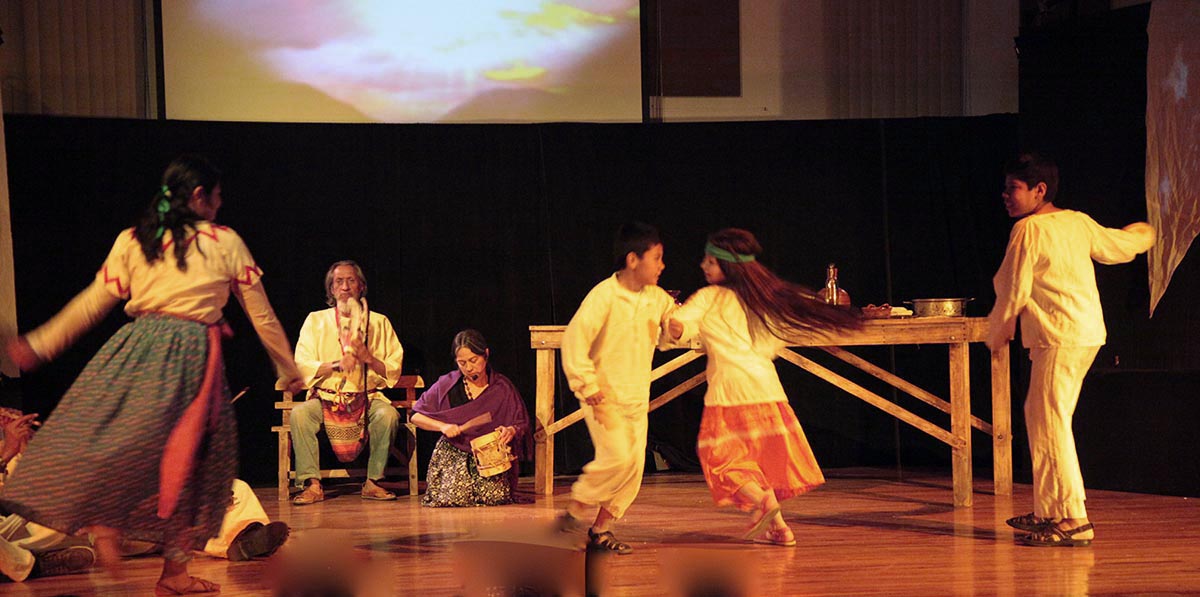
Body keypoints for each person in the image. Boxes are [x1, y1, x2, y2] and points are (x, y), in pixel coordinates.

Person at [1, 154, 304, 595]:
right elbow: (262, 315)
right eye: (217, 197)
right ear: (199, 196)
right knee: (194, 468)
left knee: (123, 443)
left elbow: (92, 303)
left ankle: (153, 556)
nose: (220, 205)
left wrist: (40, 344)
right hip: (190, 359)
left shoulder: (134, 240)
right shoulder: (223, 241)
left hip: (134, 350)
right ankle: (148, 552)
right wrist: (288, 368)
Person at [986, 153, 1154, 547]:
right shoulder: (1076, 222)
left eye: (1013, 188)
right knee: (1042, 418)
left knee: (1050, 423)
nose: (1005, 196)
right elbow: (1118, 245)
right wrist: (1147, 232)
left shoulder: (1029, 229)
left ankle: (1075, 520)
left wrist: (999, 327)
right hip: (1080, 332)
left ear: (1039, 190)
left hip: (1060, 335)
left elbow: (1012, 285)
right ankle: (1049, 511)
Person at [665, 228, 860, 547]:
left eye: (710, 261)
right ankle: (779, 528)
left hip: (730, 393)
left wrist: (666, 317)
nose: (703, 266)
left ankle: (764, 504)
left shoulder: (709, 297)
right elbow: (806, 312)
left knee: (719, 460)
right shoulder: (766, 296)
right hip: (767, 391)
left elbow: (680, 327)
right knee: (755, 466)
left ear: (727, 265)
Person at [556, 222, 675, 555]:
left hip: (636, 398)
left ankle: (601, 529)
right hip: (603, 397)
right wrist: (586, 383)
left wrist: (678, 327)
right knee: (618, 458)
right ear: (633, 259)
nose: (662, 265)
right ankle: (573, 513)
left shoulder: (656, 297)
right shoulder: (604, 296)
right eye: (656, 258)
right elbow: (575, 341)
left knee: (633, 468)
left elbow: (673, 326)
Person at [291, 260, 404, 505]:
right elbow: (302, 364)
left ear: (361, 286)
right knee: (300, 415)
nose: (345, 287)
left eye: (351, 281)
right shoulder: (315, 320)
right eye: (339, 282)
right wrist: (336, 364)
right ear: (331, 289)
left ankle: (373, 482)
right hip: (326, 398)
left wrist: (368, 358)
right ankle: (312, 484)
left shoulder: (379, 322)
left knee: (388, 416)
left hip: (368, 398)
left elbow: (393, 367)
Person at [411, 329, 531, 507]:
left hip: (489, 456)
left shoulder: (502, 387)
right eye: (462, 363)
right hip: (455, 451)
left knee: (495, 498)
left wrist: (510, 431)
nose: (468, 368)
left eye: (473, 360)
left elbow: (520, 422)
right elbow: (416, 416)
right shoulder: (447, 384)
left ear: (486, 354)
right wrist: (442, 426)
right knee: (453, 498)